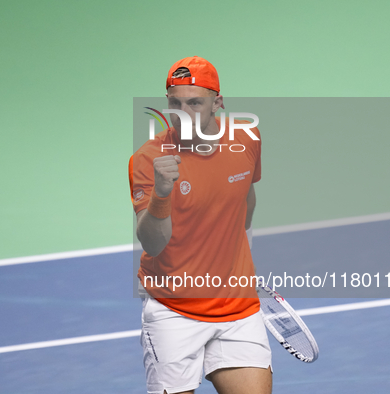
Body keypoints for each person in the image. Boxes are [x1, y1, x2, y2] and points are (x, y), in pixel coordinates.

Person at [129, 56, 272, 394]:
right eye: (175, 103)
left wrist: (243, 251)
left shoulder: (247, 139)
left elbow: (245, 197)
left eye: (195, 102)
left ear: (217, 103)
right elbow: (152, 243)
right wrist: (162, 193)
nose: (183, 112)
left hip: (238, 307)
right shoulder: (149, 159)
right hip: (174, 310)